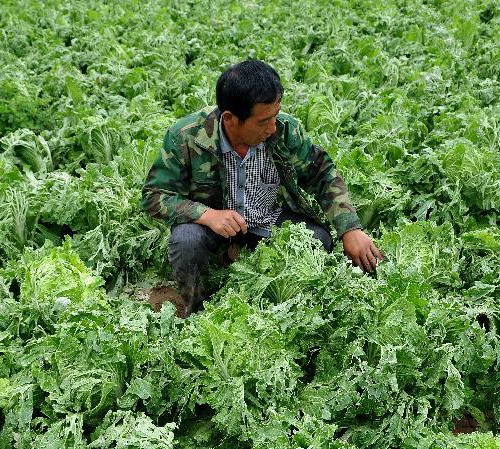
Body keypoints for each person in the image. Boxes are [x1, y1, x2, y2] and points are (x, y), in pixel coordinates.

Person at [142, 59, 383, 315]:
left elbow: (322, 174)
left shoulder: (285, 130)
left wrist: (350, 229)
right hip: (213, 228)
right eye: (262, 121)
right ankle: (198, 310)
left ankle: (275, 304)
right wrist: (208, 215)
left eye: (275, 116)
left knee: (318, 241)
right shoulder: (186, 137)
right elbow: (154, 196)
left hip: (267, 217)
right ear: (230, 119)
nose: (272, 127)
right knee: (186, 241)